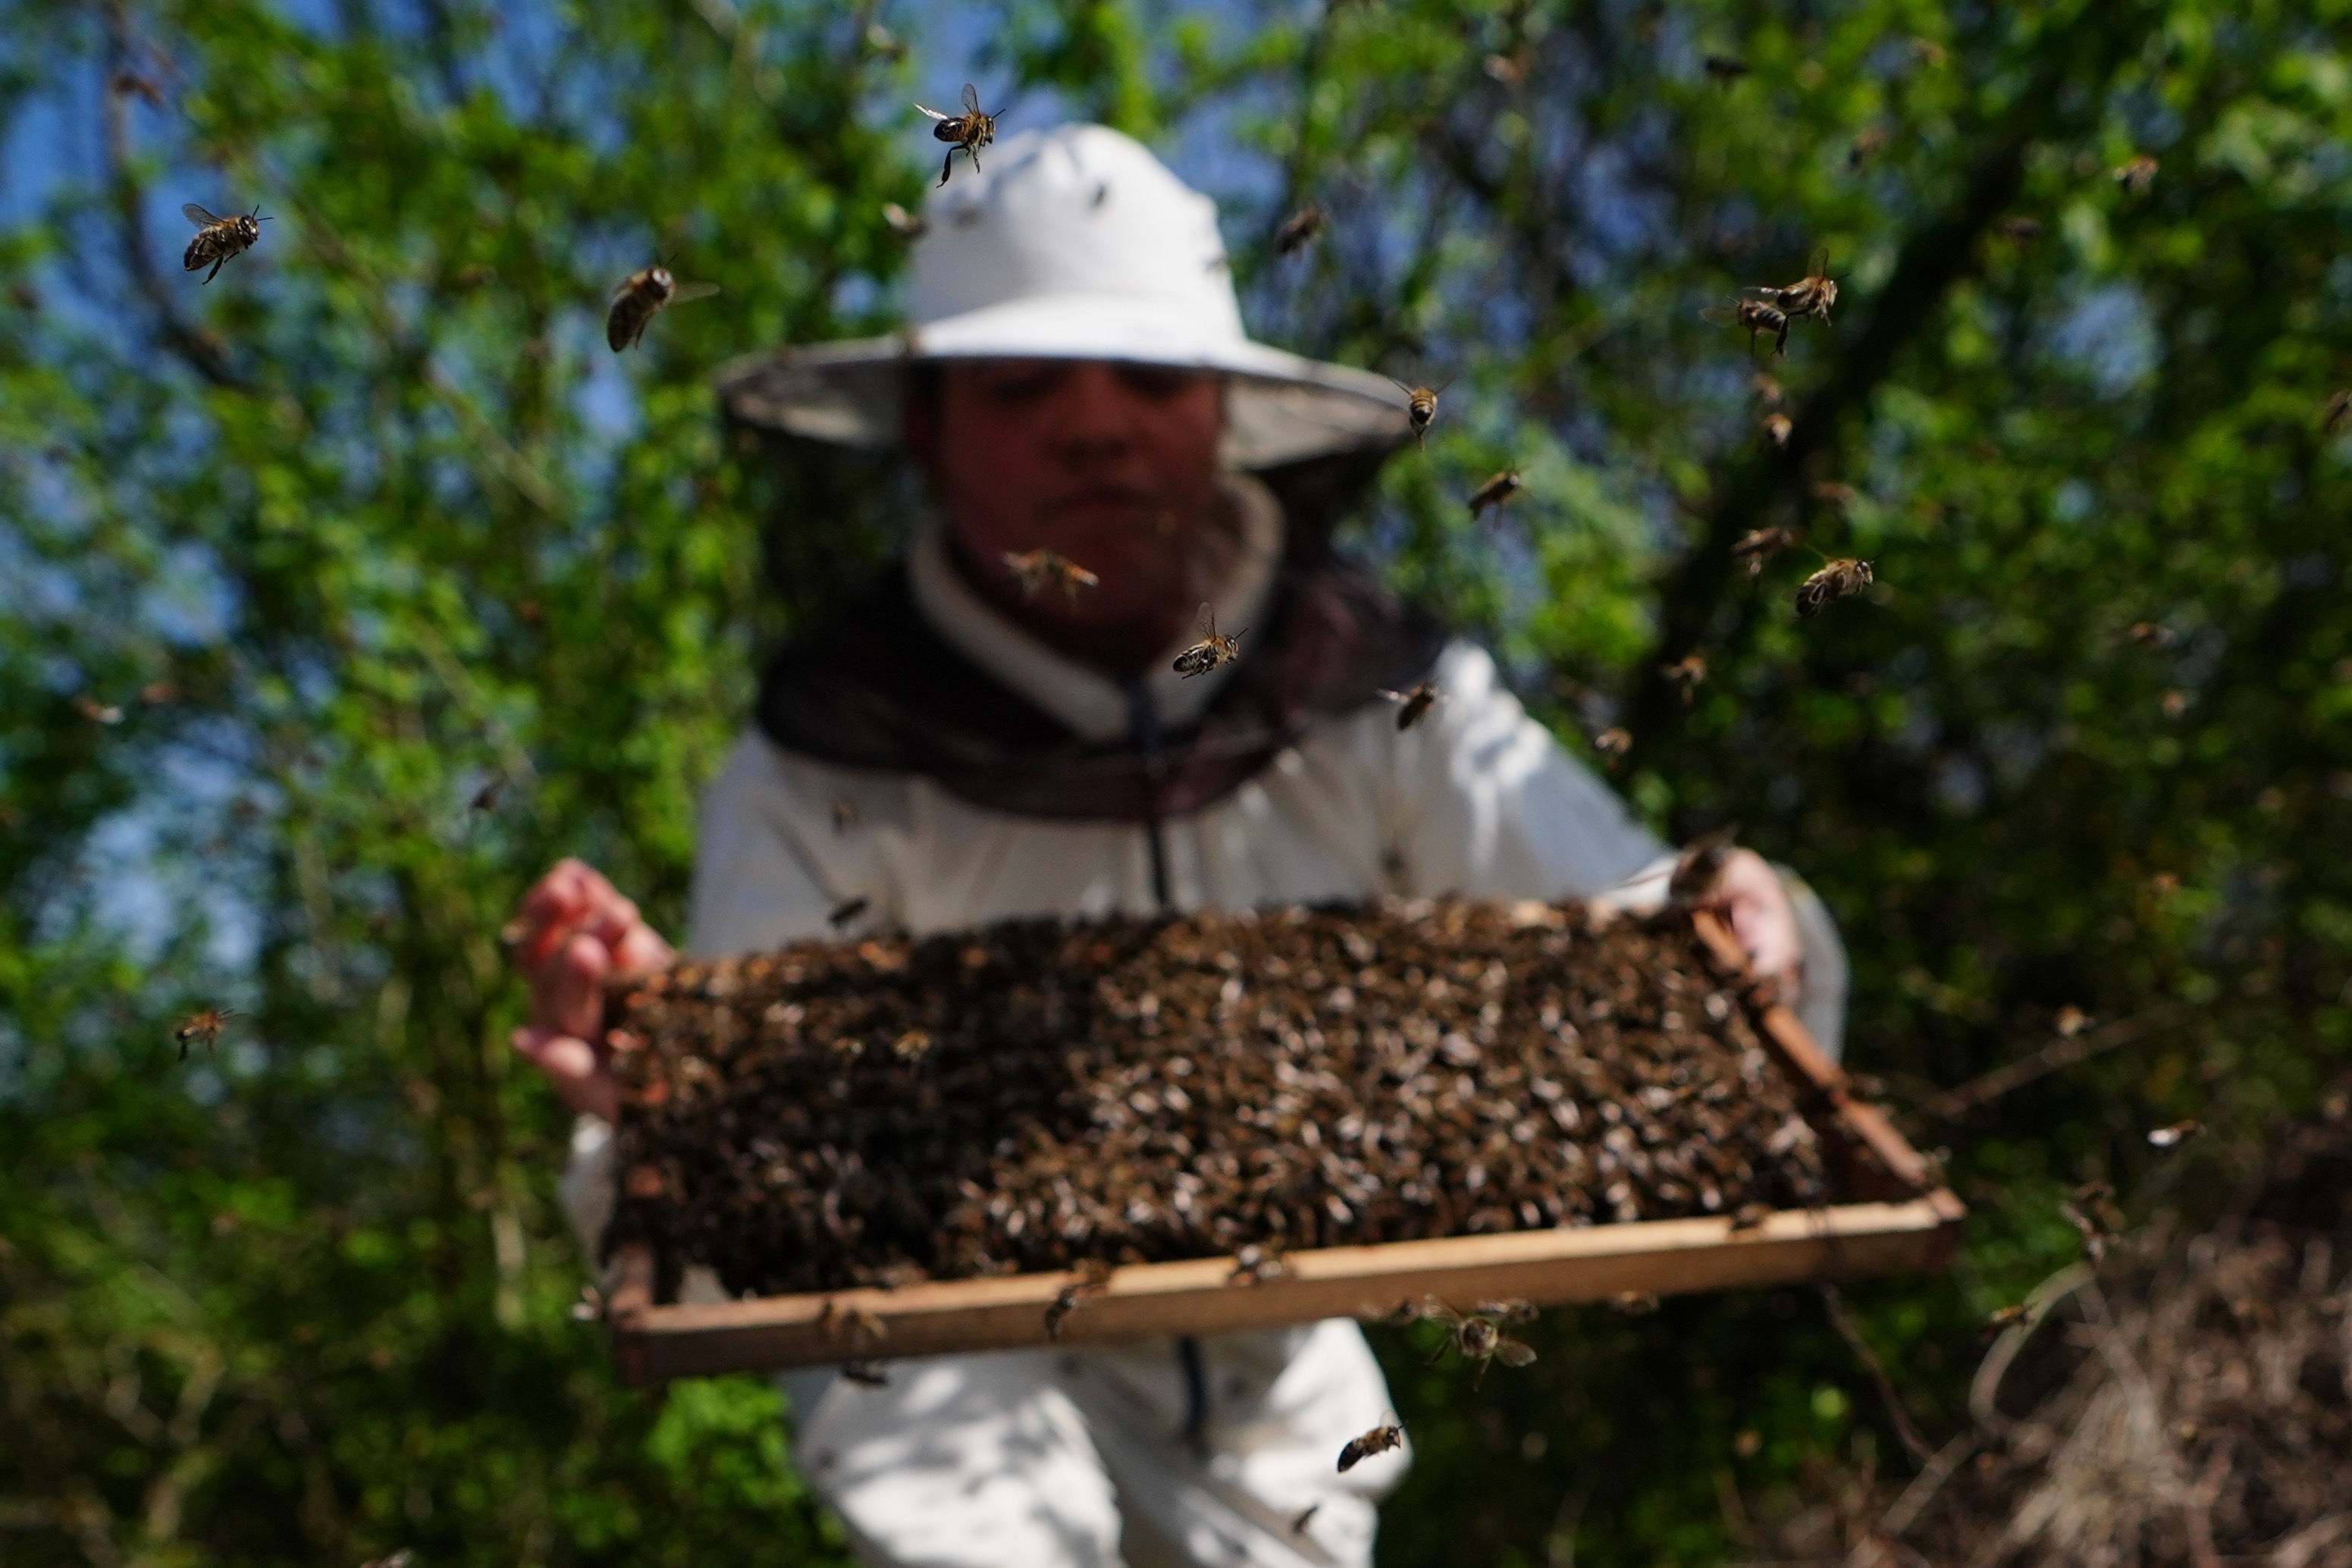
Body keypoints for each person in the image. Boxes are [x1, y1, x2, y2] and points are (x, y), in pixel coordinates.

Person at [507, 124, 1847, 1568]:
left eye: (1147, 380)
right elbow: (741, 1244)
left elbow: (1637, 933)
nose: (1095, 430)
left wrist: (1748, 926)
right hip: (956, 1419)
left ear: (1220, 412)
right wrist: (670, 1096)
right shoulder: (805, 774)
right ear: (928, 427)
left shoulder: (1387, 695)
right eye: (1024, 386)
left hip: (1293, 1437)